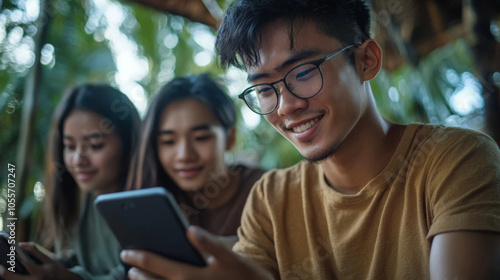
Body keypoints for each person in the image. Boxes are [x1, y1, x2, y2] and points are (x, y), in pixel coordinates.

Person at [120, 0, 500, 279]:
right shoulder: (271, 200)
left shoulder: (455, 160)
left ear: (366, 60)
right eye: (264, 88)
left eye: (303, 72)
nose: (285, 106)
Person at [0, 84, 141, 280]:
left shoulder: (146, 209)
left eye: (94, 145)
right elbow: (75, 263)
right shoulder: (80, 204)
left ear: (128, 144)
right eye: (69, 146)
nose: (77, 160)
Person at [128, 74, 265, 246]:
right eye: (168, 141)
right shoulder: (155, 201)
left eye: (201, 138)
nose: (184, 155)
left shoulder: (266, 192)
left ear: (230, 139)